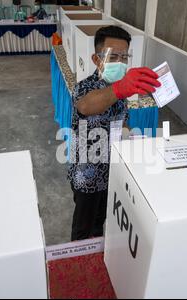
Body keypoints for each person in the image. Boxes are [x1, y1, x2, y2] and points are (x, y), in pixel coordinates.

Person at [68, 26, 161, 241]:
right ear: (96, 59)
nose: (120, 62)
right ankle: (79, 265)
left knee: (101, 222)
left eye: (124, 56)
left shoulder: (121, 88)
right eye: (112, 56)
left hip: (112, 170)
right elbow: (86, 106)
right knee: (83, 227)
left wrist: (132, 138)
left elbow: (122, 119)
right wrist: (120, 89)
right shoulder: (85, 87)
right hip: (88, 174)